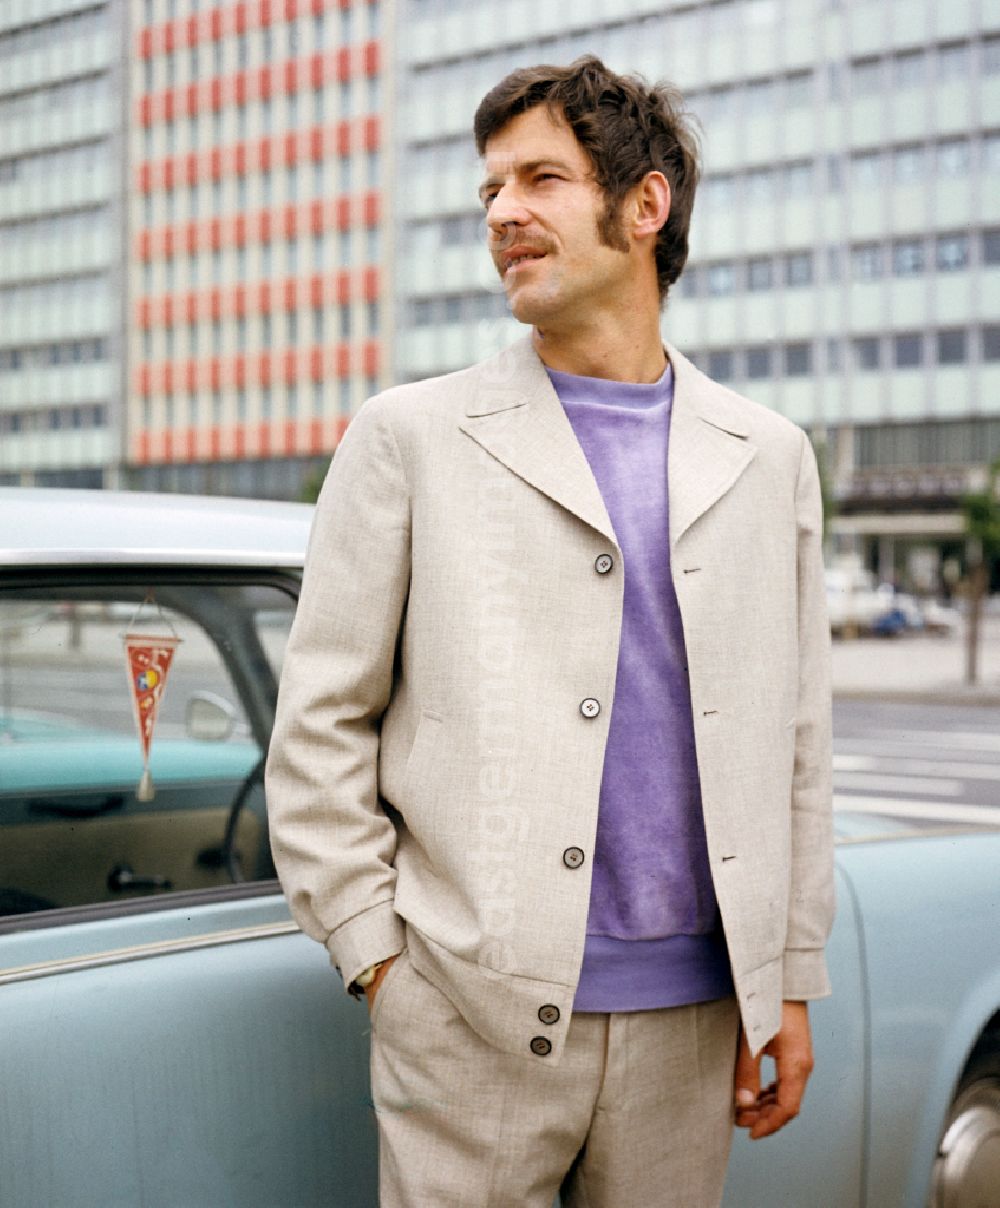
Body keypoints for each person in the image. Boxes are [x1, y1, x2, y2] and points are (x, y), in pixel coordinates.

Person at [266, 54, 834, 1208]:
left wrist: (790, 980)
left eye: (539, 179)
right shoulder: (408, 436)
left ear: (644, 204)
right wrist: (382, 961)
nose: (502, 214)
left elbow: (797, 738)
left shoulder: (768, 454)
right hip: (465, 1014)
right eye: (489, 190)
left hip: (694, 1017)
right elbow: (319, 723)